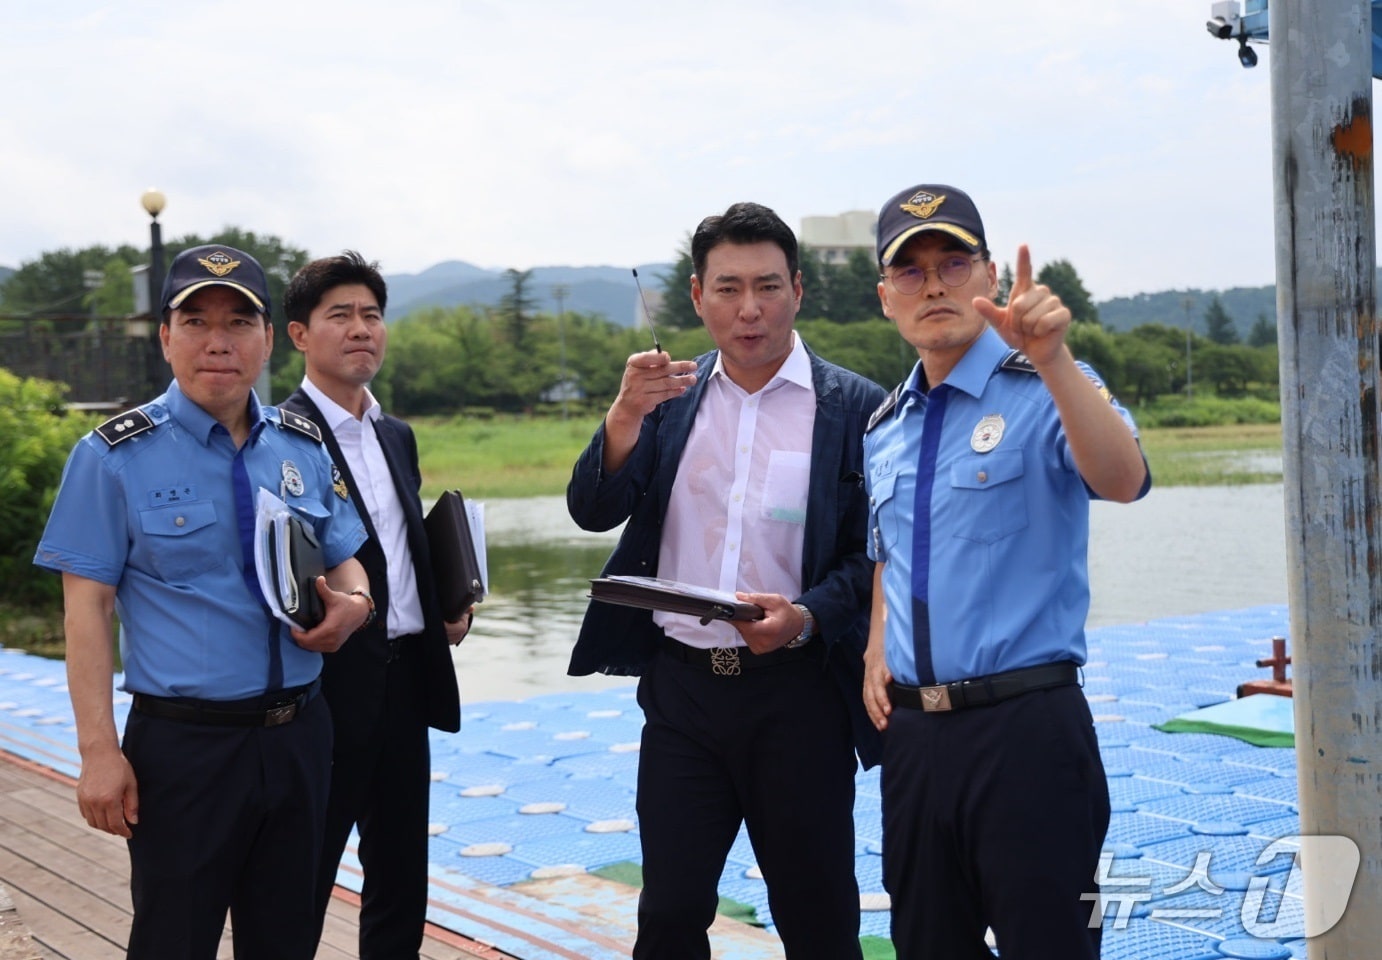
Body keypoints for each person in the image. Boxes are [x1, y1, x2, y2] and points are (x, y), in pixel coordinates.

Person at [33, 244, 375, 960]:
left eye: (238, 322)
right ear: (166, 337)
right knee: (172, 941)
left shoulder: (301, 445)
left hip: (299, 736)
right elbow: (86, 612)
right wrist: (98, 752)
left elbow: (349, 566)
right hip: (185, 750)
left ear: (268, 340)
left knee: (286, 941)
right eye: (196, 322)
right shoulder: (111, 457)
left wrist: (357, 606)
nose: (218, 342)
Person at [567, 202, 885, 960]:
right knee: (671, 913)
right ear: (696, 296)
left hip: (799, 695)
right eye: (729, 287)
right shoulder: (666, 400)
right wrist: (621, 419)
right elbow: (592, 509)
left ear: (799, 291)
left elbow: (871, 559)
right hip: (682, 697)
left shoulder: (856, 410)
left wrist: (805, 617)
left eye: (768, 286)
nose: (750, 309)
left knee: (818, 915)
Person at [860, 184, 1151, 960]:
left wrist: (1053, 358)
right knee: (928, 944)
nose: (934, 286)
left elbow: (1124, 479)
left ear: (987, 274)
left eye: (953, 263)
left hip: (1026, 731)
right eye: (911, 271)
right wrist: (873, 646)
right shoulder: (884, 428)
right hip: (915, 742)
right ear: (886, 297)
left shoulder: (1044, 384)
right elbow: (889, 549)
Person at [278, 251, 469, 959]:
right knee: (302, 876)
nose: (361, 329)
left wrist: (449, 604)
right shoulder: (279, 436)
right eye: (340, 316)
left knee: (400, 880)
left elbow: (398, 543)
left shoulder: (395, 434)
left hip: (407, 682)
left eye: (372, 315)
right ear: (299, 334)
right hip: (324, 691)